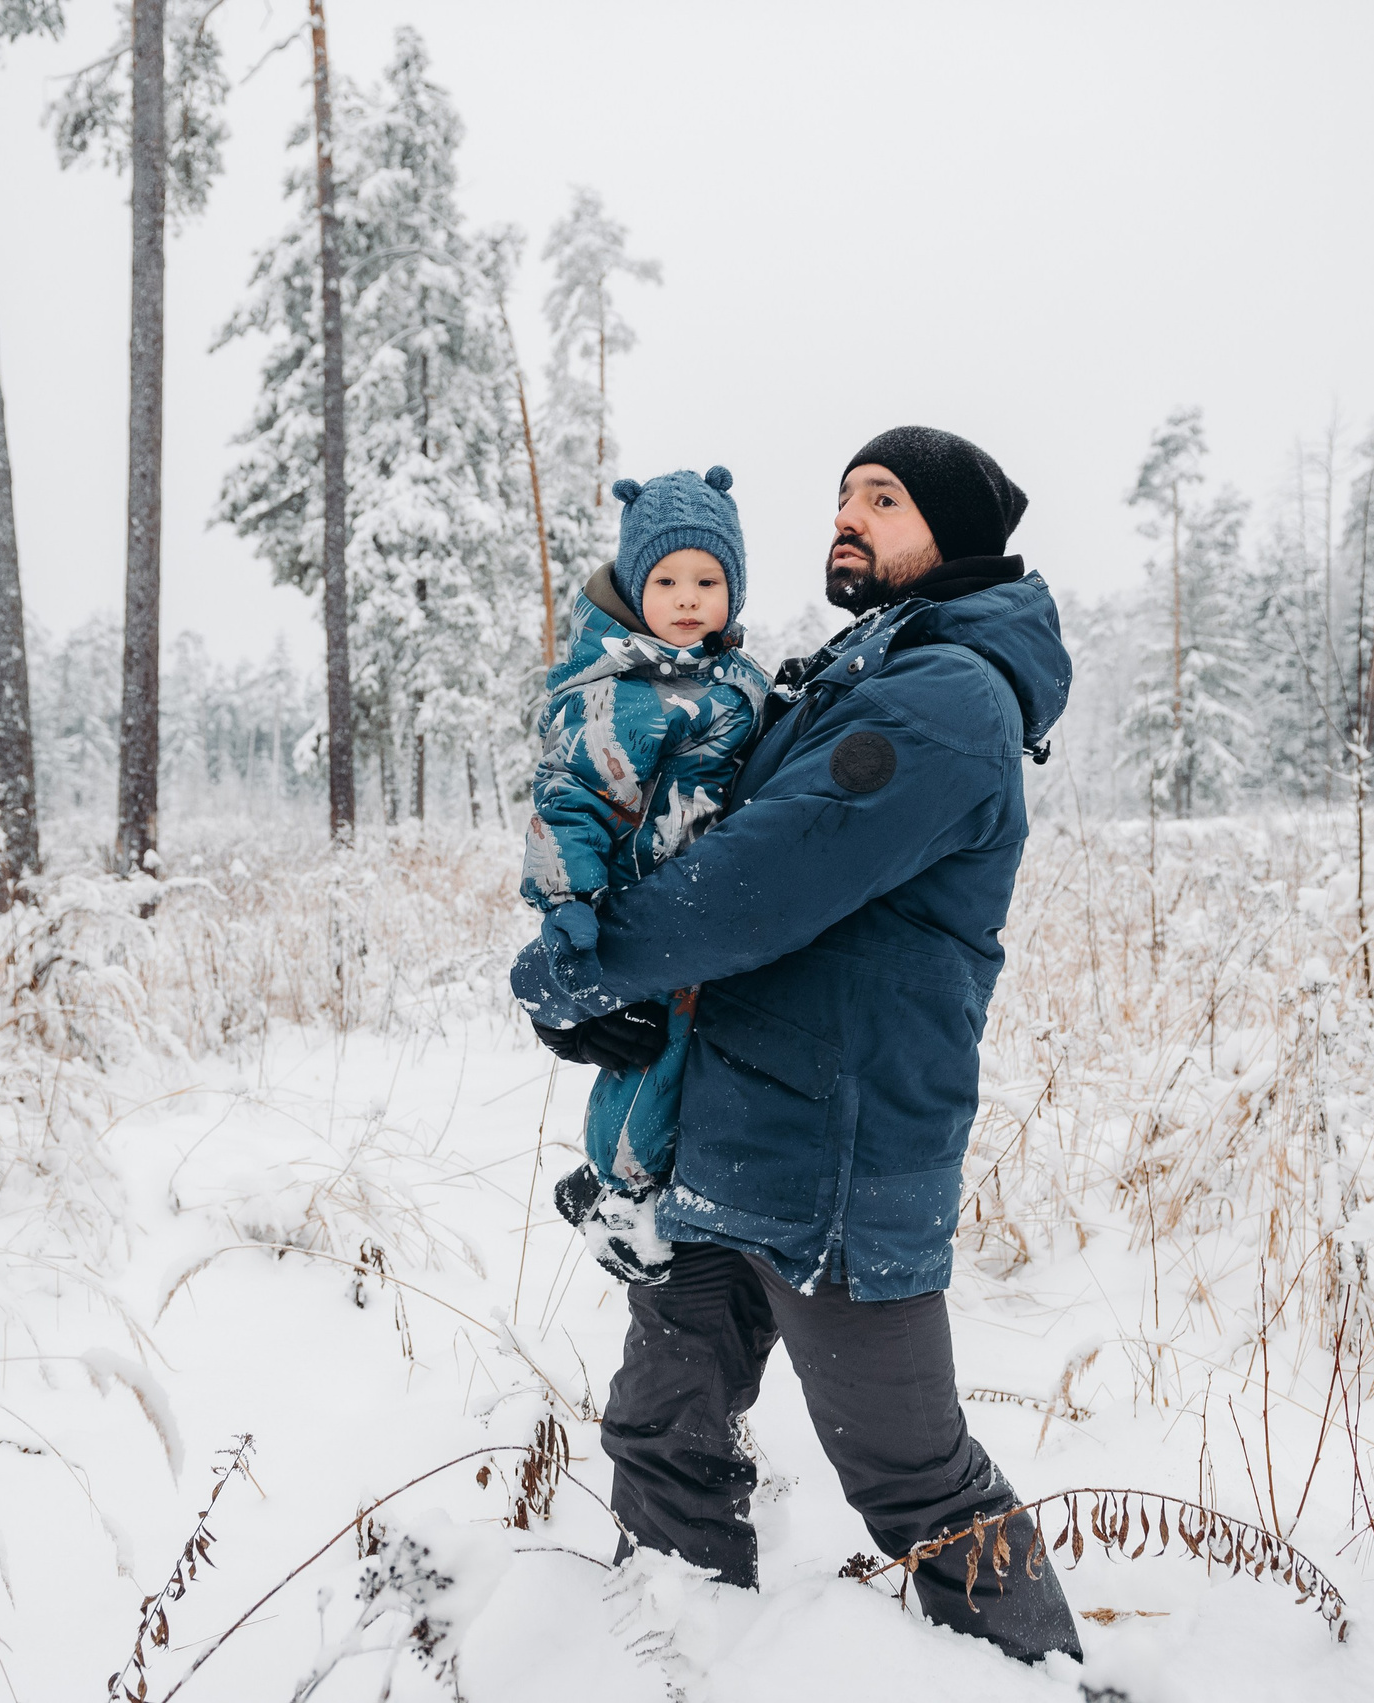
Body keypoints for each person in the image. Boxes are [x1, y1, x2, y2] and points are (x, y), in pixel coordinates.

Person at [513, 426, 1084, 1667]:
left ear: (960, 537)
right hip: (723, 1129)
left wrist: (581, 963)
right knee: (664, 1429)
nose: (848, 515)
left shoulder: (945, 698)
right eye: (842, 496)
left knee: (914, 1478)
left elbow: (763, 881)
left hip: (835, 1154)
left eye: (882, 499)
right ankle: (673, 1653)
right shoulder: (854, 668)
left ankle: (1041, 1674)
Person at [520, 465, 769, 1284]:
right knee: (649, 1058)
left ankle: (626, 1186)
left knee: (682, 1055)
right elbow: (572, 797)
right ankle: (617, 1193)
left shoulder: (731, 678)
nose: (689, 596)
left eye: (708, 579)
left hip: (701, 910)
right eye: (667, 580)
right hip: (640, 909)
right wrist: (570, 899)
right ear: (635, 586)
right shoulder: (624, 691)